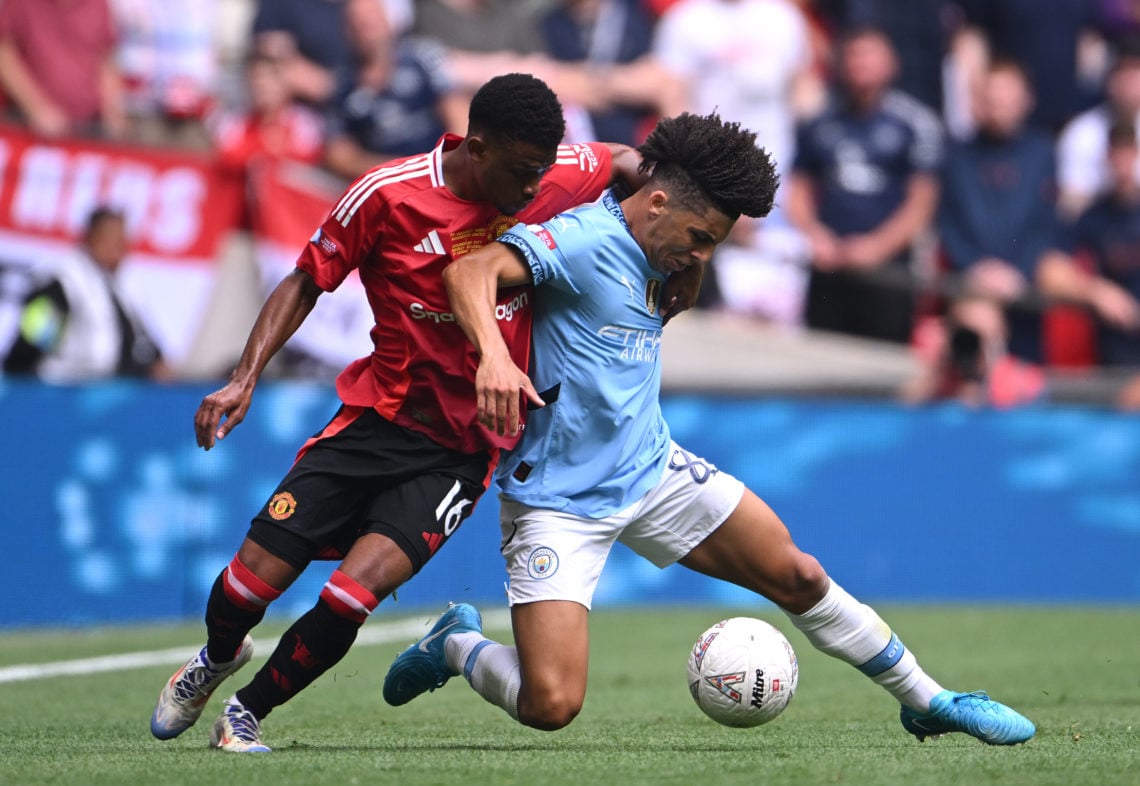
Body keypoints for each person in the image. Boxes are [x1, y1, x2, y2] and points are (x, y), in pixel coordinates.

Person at [382, 111, 1036, 746]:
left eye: (714, 243)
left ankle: (930, 701)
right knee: (550, 704)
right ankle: (457, 645)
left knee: (799, 574)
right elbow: (468, 271)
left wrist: (691, 262)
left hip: (650, 468)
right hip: (558, 498)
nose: (703, 254)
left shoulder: (668, 246)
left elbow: (656, 196)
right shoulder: (582, 241)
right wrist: (494, 357)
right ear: (658, 203)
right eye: (701, 237)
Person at [148, 73, 701, 753]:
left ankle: (245, 712)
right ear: (478, 147)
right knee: (246, 584)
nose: (535, 189)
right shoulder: (388, 195)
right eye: (523, 172)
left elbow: (621, 160)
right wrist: (243, 378)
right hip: (375, 420)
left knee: (351, 595)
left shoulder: (553, 169)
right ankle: (217, 657)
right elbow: (305, 279)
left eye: (542, 171)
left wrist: (682, 231)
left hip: (459, 452)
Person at [786, 25, 943, 345]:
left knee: (882, 369)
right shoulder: (820, 121)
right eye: (854, 55)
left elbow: (922, 202)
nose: (861, 63)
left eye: (870, 54)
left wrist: (877, 247)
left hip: (888, 272)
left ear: (892, 63)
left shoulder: (915, 124)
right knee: (821, 363)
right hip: (829, 267)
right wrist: (816, 237)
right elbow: (798, 189)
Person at [938, 57, 1064, 364]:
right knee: (969, 375)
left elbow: (1047, 221)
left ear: (1026, 100)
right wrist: (976, 269)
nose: (999, 105)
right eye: (991, 97)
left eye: (1008, 96)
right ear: (978, 100)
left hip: (1024, 291)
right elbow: (946, 221)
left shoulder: (1042, 152)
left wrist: (1019, 271)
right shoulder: (955, 155)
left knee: (1025, 384)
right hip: (970, 287)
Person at [2, 206, 168, 382]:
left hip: (110, 393)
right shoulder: (62, 285)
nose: (122, 250)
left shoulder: (120, 288)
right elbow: (30, 342)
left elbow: (139, 340)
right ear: (92, 238)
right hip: (63, 394)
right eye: (116, 241)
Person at [323, 0, 467, 181]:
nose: (364, 25)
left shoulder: (422, 57)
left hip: (442, 171)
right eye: (355, 20)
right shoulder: (342, 85)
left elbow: (459, 114)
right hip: (387, 183)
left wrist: (448, 164)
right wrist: (401, 172)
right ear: (346, 29)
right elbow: (339, 157)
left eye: (371, 17)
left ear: (387, 19)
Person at [0, 0, 127, 140]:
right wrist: (37, 109)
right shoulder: (21, 3)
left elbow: (106, 61)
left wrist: (113, 113)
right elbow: (4, 56)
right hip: (27, 128)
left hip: (89, 127)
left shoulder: (98, 5)